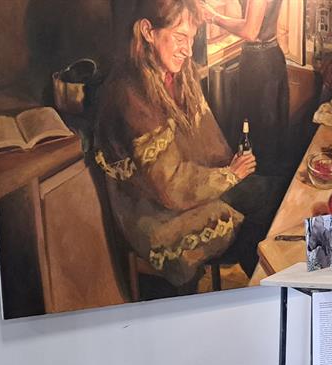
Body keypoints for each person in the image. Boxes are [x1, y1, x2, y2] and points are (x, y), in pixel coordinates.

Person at [94, 0, 285, 293]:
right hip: (156, 214)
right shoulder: (131, 92)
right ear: (147, 31)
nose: (187, 49)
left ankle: (270, 288)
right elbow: (169, 186)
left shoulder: (180, 72)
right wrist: (229, 176)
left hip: (194, 186)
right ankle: (267, 293)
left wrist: (231, 169)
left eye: (192, 39)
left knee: (276, 194)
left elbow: (207, 139)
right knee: (257, 225)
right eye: (180, 37)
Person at [198, 0, 289, 175]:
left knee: (258, 136)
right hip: (271, 55)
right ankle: (267, 182)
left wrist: (214, 17)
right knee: (270, 134)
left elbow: (250, 31)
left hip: (259, 63)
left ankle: (259, 184)